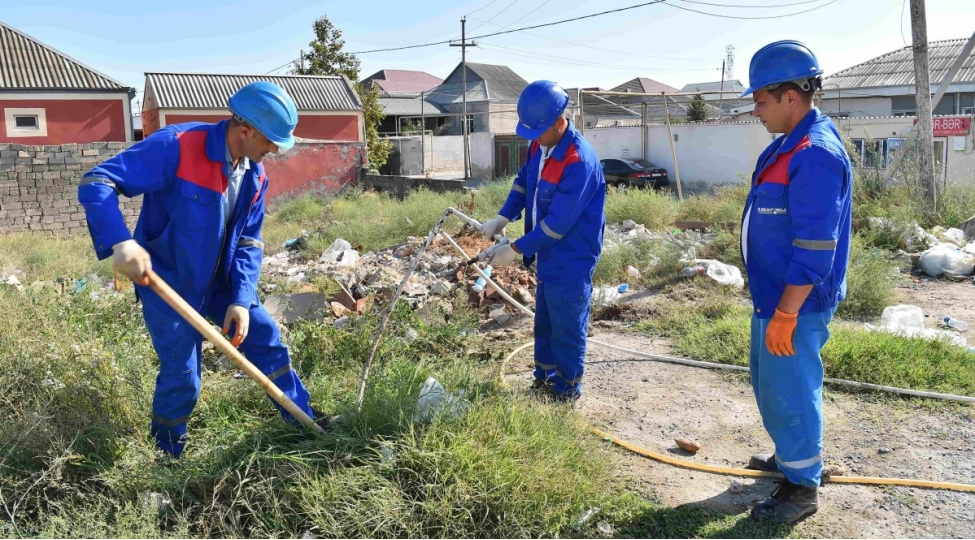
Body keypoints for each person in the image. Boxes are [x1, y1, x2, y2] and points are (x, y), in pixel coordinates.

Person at [78, 81, 333, 458]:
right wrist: (121, 241)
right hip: (168, 281)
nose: (275, 150)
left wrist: (243, 300)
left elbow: (249, 241)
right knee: (184, 378)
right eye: (271, 140)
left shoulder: (255, 175)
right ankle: (167, 455)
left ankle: (304, 419)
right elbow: (98, 181)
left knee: (267, 341)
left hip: (222, 283)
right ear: (244, 130)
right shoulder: (178, 145)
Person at [738, 40, 853, 523]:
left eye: (761, 99)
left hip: (796, 304)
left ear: (792, 96)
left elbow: (814, 246)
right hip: (774, 296)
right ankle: (792, 458)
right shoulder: (784, 146)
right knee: (772, 386)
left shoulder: (816, 154)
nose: (755, 109)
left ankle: (802, 488)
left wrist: (787, 313)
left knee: (792, 389)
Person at [478, 80, 606, 402]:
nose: (532, 138)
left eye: (538, 131)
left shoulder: (578, 160)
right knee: (545, 324)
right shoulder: (541, 145)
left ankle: (565, 392)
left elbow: (557, 225)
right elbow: (524, 182)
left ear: (560, 120)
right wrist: (504, 217)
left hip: (571, 257)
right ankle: (544, 379)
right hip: (546, 255)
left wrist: (515, 249)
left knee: (567, 328)